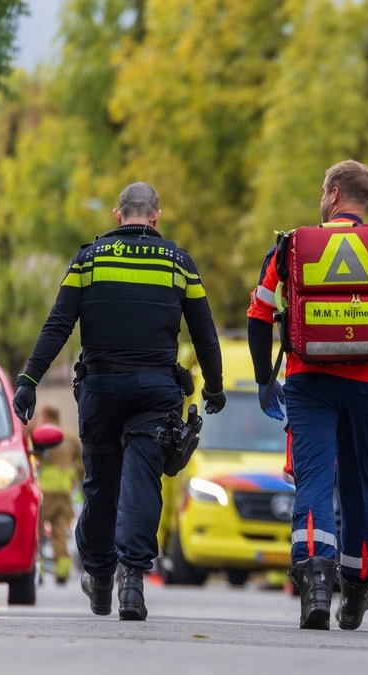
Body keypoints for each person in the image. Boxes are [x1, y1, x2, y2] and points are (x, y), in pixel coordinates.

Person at [13, 182, 225, 621]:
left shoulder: (88, 260)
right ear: (156, 216)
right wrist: (214, 388)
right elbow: (205, 333)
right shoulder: (179, 263)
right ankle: (132, 581)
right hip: (155, 394)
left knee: (101, 487)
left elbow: (58, 324)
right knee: (142, 484)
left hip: (101, 392)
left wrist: (29, 379)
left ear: (117, 215)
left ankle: (100, 574)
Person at [248, 160, 368, 631]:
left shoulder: (292, 247)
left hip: (309, 383)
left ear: (331, 194)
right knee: (357, 486)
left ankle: (314, 583)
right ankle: (360, 584)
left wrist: (266, 377)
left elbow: (259, 313)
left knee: (312, 483)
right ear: (362, 200)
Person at [32, 404, 84, 585]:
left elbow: (33, 457)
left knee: (36, 532)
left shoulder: (41, 436)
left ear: (47, 416)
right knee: (60, 532)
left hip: (45, 491)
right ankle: (62, 571)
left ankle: (35, 569)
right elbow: (85, 462)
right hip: (65, 491)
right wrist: (74, 472)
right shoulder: (70, 437)